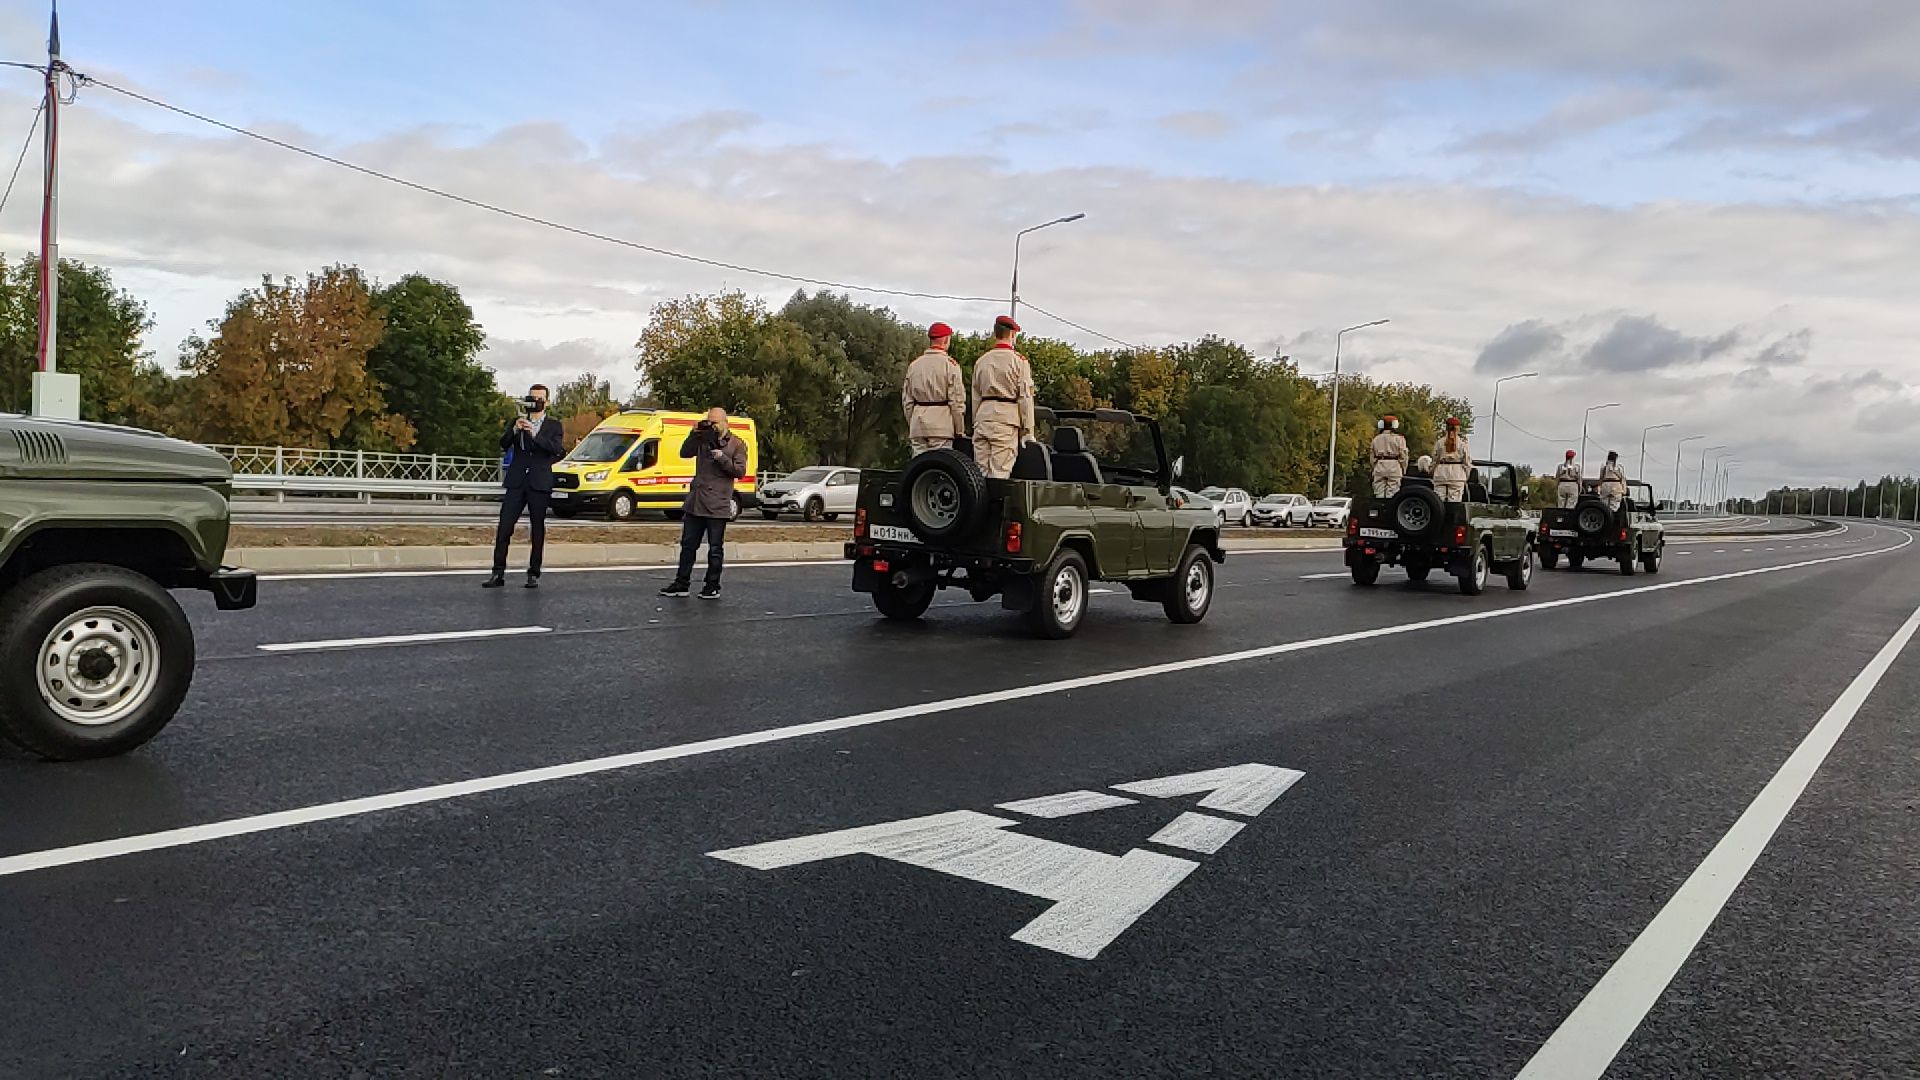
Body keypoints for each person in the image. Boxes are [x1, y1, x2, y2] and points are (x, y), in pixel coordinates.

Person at [660, 407, 748, 599]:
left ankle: (712, 585)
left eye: (715, 422)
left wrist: (722, 458)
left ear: (725, 422)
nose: (712, 425)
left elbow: (740, 471)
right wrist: (695, 433)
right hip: (696, 501)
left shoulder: (736, 444)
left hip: (718, 504)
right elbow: (684, 453)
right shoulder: (702, 440)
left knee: (715, 548)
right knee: (688, 545)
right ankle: (681, 583)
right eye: (709, 421)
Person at [484, 384, 563, 589]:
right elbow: (503, 444)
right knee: (504, 527)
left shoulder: (554, 426)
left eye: (539, 398)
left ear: (547, 402)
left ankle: (533, 573)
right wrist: (514, 429)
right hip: (517, 481)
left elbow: (556, 449)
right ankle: (497, 572)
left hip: (539, 481)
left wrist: (535, 435)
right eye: (532, 397)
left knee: (537, 528)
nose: (534, 401)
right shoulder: (518, 421)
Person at [971, 314, 1036, 478]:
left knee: (980, 473)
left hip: (983, 417)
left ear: (995, 334)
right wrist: (1028, 429)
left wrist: (975, 420)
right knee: (999, 473)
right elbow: (1025, 399)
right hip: (1006, 419)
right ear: (1012, 335)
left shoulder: (981, 361)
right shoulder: (1019, 362)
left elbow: (975, 396)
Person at [902, 321, 967, 453]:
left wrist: (913, 421)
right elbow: (956, 403)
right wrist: (959, 429)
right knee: (940, 465)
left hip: (918, 425)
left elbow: (907, 401)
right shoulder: (950, 365)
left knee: (920, 467)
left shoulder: (914, 365)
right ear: (946, 340)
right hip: (941, 426)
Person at [1432, 416, 1472, 501]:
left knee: (1438, 501)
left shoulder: (1439, 442)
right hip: (1457, 474)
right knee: (1455, 501)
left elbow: (1435, 459)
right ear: (1458, 429)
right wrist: (1466, 475)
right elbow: (1467, 462)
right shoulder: (1462, 444)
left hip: (1441, 473)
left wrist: (1432, 471)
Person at [1369, 414, 1408, 498]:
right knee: (1393, 492)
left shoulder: (1376, 439)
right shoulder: (1399, 439)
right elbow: (1403, 456)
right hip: (1394, 465)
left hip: (1379, 465)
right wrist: (1403, 468)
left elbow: (1372, 456)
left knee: (1379, 492)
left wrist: (1374, 466)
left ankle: (1379, 508)